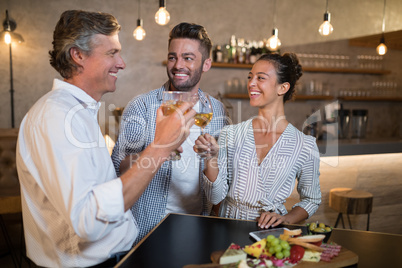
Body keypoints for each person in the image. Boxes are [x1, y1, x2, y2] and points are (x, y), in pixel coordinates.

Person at [16, 10, 196, 267]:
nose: (121, 63)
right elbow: (88, 221)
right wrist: (159, 147)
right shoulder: (56, 117)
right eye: (112, 53)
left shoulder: (78, 112)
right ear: (78, 55)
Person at [111, 22, 229, 244]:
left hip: (197, 226)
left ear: (206, 64)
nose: (178, 65)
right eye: (173, 57)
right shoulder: (142, 106)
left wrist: (212, 157)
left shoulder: (216, 110)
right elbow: (118, 168)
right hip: (147, 229)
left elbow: (221, 178)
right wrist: (160, 148)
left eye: (188, 58)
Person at [194, 53, 321, 229]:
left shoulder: (305, 145)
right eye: (250, 77)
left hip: (271, 232)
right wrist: (211, 158)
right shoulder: (231, 133)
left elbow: (312, 199)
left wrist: (287, 219)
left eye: (260, 78)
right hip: (227, 227)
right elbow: (215, 198)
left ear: (282, 88)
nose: (251, 83)